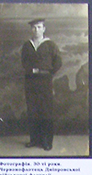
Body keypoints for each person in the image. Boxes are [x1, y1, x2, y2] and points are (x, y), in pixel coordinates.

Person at [21, 18, 62, 151]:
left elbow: (58, 62)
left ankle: (46, 141)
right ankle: (34, 140)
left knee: (45, 111)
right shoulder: (27, 45)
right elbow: (23, 62)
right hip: (30, 81)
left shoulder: (50, 45)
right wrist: (30, 70)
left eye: (39, 27)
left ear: (44, 29)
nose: (36, 30)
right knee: (32, 110)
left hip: (45, 81)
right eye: (34, 27)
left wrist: (49, 73)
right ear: (31, 30)